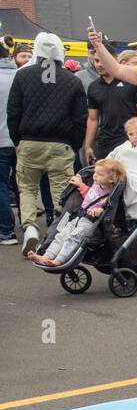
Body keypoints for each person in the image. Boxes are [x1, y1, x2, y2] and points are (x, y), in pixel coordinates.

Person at [7, 33, 88, 255]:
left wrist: (18, 140)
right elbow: (80, 118)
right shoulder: (72, 80)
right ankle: (59, 237)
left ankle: (31, 228)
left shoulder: (23, 76)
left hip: (29, 141)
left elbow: (13, 111)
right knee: (62, 192)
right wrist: (73, 145)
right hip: (60, 144)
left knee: (26, 188)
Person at [29, 158, 126, 267]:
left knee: (73, 238)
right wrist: (80, 184)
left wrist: (100, 210)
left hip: (90, 222)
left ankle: (59, 260)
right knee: (61, 236)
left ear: (111, 179)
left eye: (100, 174)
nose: (95, 176)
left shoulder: (110, 194)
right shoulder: (96, 186)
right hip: (78, 217)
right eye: (95, 173)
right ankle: (46, 256)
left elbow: (108, 207)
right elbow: (89, 195)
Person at [83, 47, 137, 163]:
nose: (99, 65)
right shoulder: (93, 87)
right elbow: (92, 118)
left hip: (128, 140)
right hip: (105, 142)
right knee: (104, 179)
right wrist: (88, 145)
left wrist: (135, 135)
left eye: (102, 60)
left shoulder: (132, 81)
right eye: (96, 61)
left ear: (114, 60)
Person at [0, 39, 18, 244]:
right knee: (25, 185)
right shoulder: (21, 75)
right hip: (21, 140)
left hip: (1, 140)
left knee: (2, 185)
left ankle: (7, 231)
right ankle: (29, 225)